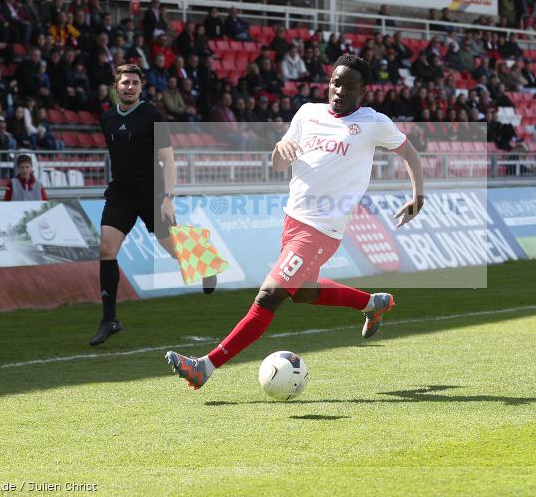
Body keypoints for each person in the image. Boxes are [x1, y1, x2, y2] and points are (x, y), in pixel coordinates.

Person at [165, 55, 425, 389]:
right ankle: (372, 303)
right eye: (336, 82)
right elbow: (277, 163)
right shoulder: (307, 112)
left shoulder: (372, 122)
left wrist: (418, 195)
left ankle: (205, 366)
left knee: (269, 296)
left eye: (349, 86)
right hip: (293, 220)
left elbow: (409, 153)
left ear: (362, 92)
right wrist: (280, 147)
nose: (340, 90)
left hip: (322, 230)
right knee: (303, 293)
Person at [91, 64, 217, 346]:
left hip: (153, 193)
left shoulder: (152, 115)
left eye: (134, 82)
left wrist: (168, 198)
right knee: (106, 249)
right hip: (121, 193)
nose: (129, 87)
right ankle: (109, 319)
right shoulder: (107, 118)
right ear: (116, 86)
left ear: (141, 87)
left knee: (170, 247)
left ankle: (204, 260)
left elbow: (168, 159)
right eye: (124, 82)